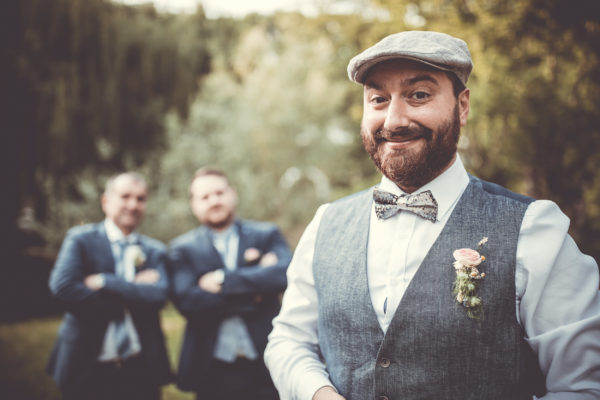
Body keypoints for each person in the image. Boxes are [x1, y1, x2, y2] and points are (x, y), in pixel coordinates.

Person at [264, 31, 600, 400]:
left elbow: (582, 387)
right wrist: (318, 393)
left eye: (418, 95)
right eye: (378, 99)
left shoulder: (534, 229)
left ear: (463, 106)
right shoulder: (325, 224)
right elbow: (288, 341)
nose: (394, 120)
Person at [169, 167, 292, 400]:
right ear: (194, 204)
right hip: (212, 369)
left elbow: (285, 274)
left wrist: (223, 280)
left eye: (219, 192)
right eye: (205, 197)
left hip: (268, 363)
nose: (214, 200)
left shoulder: (266, 234)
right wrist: (255, 292)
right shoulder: (182, 248)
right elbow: (188, 301)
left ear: (232, 194)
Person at [47, 172, 172, 400]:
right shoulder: (80, 240)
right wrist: (133, 291)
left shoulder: (155, 251)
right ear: (106, 202)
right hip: (86, 365)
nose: (133, 205)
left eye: (141, 198)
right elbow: (63, 288)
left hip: (141, 368)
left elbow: (160, 295)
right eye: (125, 196)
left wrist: (106, 281)